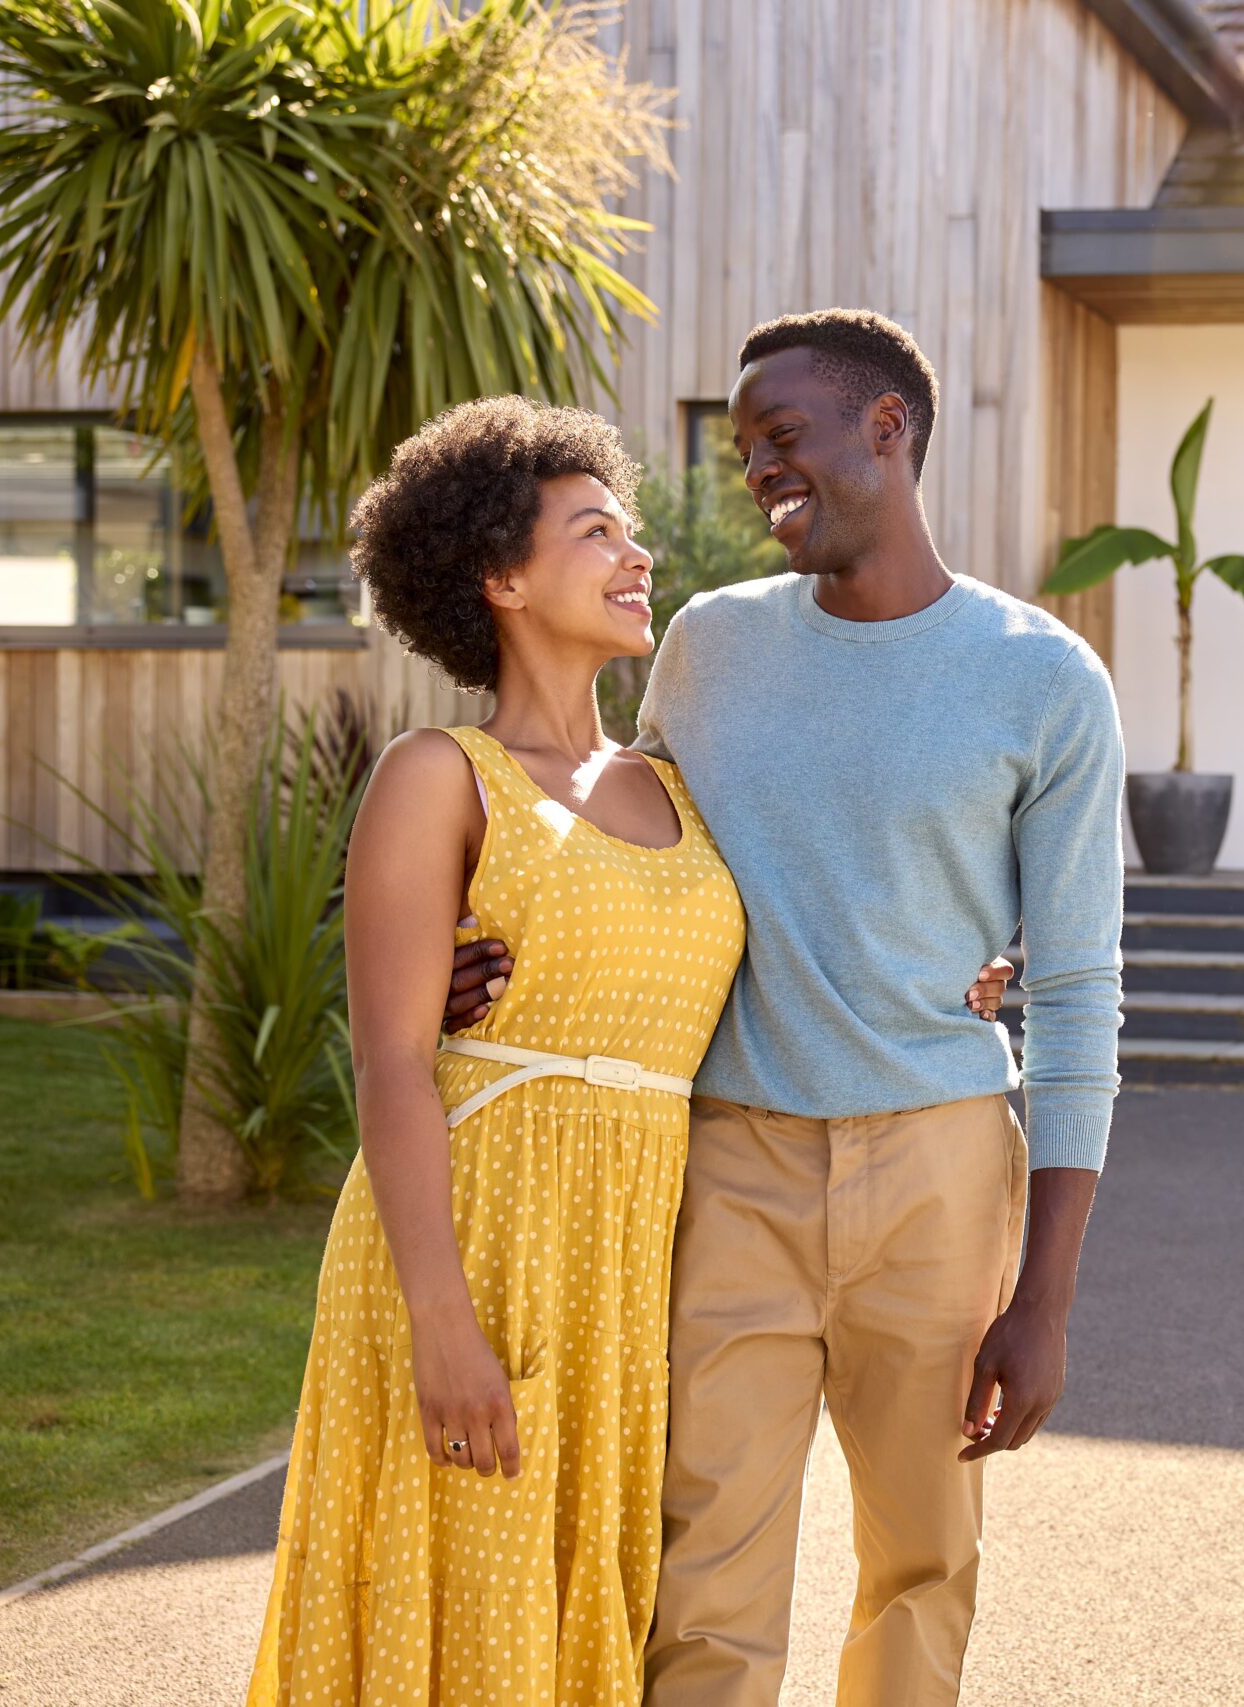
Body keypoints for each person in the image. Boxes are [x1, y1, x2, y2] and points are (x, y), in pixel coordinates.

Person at [244, 397, 1012, 1706]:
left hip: (631, 1271)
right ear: (498, 576)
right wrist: (444, 1326)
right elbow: (389, 1063)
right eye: (596, 532)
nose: (637, 555)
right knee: (467, 1610)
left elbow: (823, 917)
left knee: (603, 1617)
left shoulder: (677, 780)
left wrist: (969, 965)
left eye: (633, 532)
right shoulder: (440, 773)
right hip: (479, 1243)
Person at [444, 308, 1126, 1707]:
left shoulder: (1044, 680)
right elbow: (633, 847)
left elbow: (1078, 995)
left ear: (887, 429)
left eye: (782, 438)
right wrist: (480, 935)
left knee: (923, 1561)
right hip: (731, 1164)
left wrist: (1046, 1298)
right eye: (745, 447)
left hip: (937, 1166)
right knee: (702, 1568)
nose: (757, 471)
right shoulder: (710, 643)